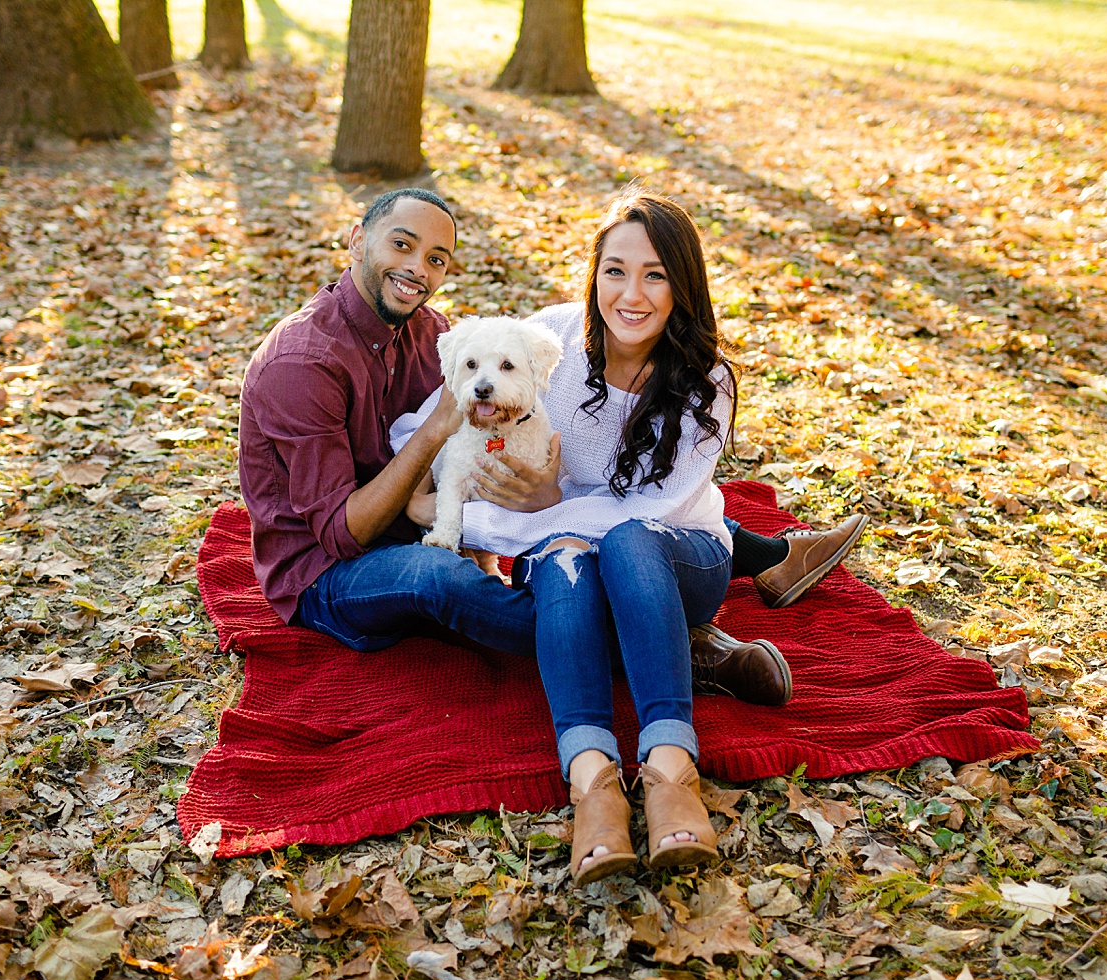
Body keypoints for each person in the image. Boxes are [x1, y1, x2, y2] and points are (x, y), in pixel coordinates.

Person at [396, 191, 865, 885]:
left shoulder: (707, 382)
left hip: (682, 556)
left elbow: (655, 509)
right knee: (563, 561)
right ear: (594, 276)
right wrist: (426, 494)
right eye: (615, 271)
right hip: (576, 546)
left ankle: (672, 766)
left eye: (655, 275)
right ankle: (592, 780)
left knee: (620, 541)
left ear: (682, 284)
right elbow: (453, 401)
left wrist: (535, 510)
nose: (632, 294)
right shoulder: (549, 342)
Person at [236, 188, 805, 698]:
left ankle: (765, 559)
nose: (417, 268)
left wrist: (523, 493)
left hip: (427, 515)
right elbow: (342, 535)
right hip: (328, 572)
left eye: (436, 259)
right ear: (357, 239)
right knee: (444, 577)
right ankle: (679, 650)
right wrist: (438, 439)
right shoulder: (301, 363)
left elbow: (502, 417)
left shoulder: (431, 332)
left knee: (622, 511)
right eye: (401, 245)